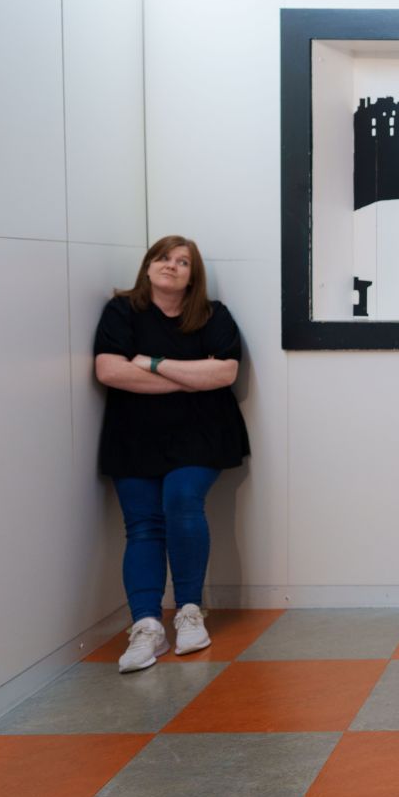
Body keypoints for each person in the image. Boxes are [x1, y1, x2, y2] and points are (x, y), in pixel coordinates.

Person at [93, 236, 250, 673]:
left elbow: (225, 372)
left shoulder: (213, 315)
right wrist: (190, 378)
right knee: (142, 525)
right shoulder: (121, 311)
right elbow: (109, 370)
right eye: (163, 258)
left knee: (181, 501)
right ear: (147, 267)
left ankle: (189, 613)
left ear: (192, 276)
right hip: (134, 435)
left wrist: (151, 363)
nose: (171, 266)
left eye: (183, 262)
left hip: (202, 433)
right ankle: (146, 626)